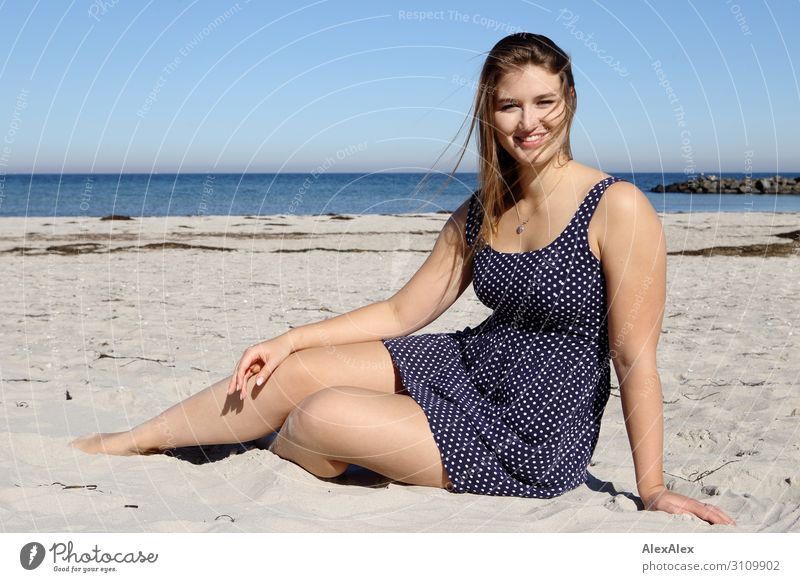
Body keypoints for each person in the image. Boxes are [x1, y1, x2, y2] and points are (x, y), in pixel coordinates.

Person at [71, 32, 735, 526]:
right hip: (470, 362)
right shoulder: (481, 210)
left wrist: (652, 488)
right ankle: (142, 438)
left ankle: (313, 446)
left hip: (535, 429)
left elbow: (633, 357)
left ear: (570, 102)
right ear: (489, 111)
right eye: (509, 106)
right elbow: (399, 312)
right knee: (294, 374)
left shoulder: (619, 206)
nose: (528, 123)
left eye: (544, 103)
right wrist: (290, 339)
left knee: (319, 413)